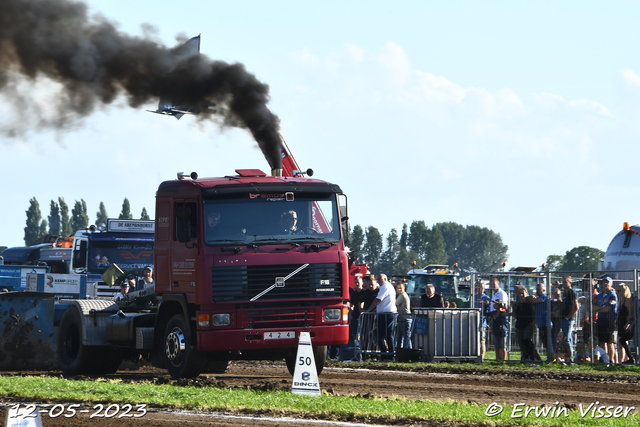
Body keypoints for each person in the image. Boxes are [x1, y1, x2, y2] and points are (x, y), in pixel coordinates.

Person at [364, 274, 397, 360]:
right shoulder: (389, 286)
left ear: (385, 279)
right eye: (377, 279)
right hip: (390, 313)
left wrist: (369, 310)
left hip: (385, 314)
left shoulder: (384, 287)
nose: (378, 281)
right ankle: (391, 355)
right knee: (389, 335)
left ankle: (384, 354)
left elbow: (378, 299)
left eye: (380, 279)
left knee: (378, 334)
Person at [513, 286, 540, 362]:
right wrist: (513, 308)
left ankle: (534, 357)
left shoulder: (530, 301)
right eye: (519, 293)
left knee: (527, 341)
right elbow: (515, 315)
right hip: (519, 324)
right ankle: (524, 358)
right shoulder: (518, 302)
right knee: (521, 343)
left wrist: (534, 321)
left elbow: (536, 311)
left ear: (526, 293)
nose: (521, 295)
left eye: (523, 293)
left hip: (528, 324)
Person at [593, 276, 617, 363]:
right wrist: (601, 308)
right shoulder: (599, 295)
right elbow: (593, 308)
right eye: (604, 282)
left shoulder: (612, 295)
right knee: (602, 342)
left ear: (611, 284)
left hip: (609, 322)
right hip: (600, 321)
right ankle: (604, 360)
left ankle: (611, 361)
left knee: (610, 342)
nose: (605, 284)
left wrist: (599, 308)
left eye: (607, 282)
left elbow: (608, 309)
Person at [489, 278, 509, 361]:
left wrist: (499, 314)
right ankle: (497, 359)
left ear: (498, 284)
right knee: (496, 342)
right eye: (491, 284)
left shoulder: (502, 293)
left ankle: (503, 360)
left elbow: (504, 306)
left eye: (494, 284)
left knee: (502, 343)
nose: (492, 286)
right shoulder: (493, 293)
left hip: (500, 319)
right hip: (494, 318)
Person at [560, 275, 579, 362]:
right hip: (563, 318)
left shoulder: (572, 293)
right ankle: (568, 358)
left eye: (566, 282)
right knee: (568, 338)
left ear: (570, 283)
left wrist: (567, 317)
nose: (564, 283)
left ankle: (570, 360)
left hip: (568, 320)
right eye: (563, 282)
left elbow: (576, 307)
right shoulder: (564, 292)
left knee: (567, 339)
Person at [616, 283, 635, 364]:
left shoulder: (627, 300)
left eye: (619, 291)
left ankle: (622, 361)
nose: (617, 293)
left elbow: (629, 313)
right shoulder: (621, 301)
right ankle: (626, 360)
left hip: (624, 323)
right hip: (620, 323)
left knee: (621, 342)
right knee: (621, 343)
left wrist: (627, 323)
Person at [473, 281, 491, 359]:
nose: (480, 289)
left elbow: (490, 310)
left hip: (482, 322)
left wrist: (487, 305)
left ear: (484, 288)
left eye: (482, 288)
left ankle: (482, 357)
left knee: (482, 340)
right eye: (479, 287)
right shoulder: (473, 297)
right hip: (473, 321)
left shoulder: (487, 298)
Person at [395, 280, 412, 350]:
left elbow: (395, 304)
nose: (399, 289)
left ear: (404, 288)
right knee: (400, 339)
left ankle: (409, 353)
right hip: (401, 319)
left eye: (400, 288)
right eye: (398, 288)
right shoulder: (401, 295)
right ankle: (400, 353)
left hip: (405, 320)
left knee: (406, 339)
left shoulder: (402, 295)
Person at [533, 283, 550, 351]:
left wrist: (530, 298)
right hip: (540, 323)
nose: (537, 291)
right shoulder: (537, 298)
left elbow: (535, 300)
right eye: (536, 289)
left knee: (547, 341)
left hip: (546, 323)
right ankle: (549, 356)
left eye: (539, 289)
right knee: (543, 341)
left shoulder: (544, 297)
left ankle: (551, 356)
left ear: (544, 289)